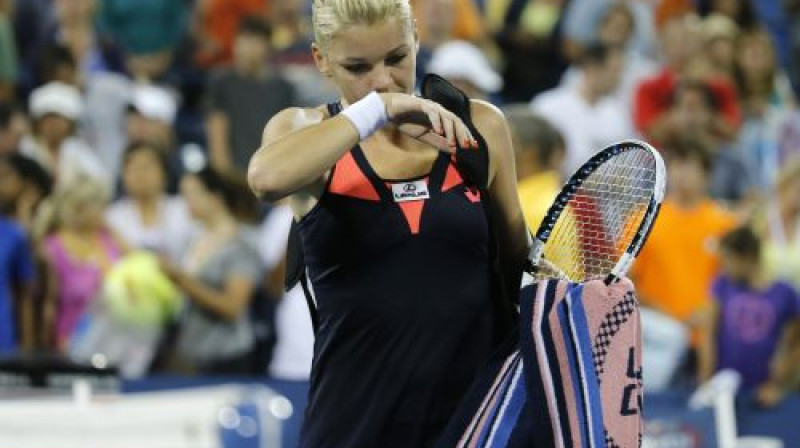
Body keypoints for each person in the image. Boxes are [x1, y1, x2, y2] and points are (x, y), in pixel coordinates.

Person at [246, 1, 528, 446]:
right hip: (354, 425)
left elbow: (519, 268)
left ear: (416, 35)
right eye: (358, 67)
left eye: (396, 58)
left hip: (473, 424)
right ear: (321, 59)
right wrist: (378, 110)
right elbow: (266, 179)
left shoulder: (480, 125)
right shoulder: (300, 128)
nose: (381, 80)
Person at [158, 167, 264, 375]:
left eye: (192, 193)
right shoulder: (194, 238)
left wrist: (181, 280)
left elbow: (233, 307)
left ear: (215, 198)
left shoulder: (241, 244)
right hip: (191, 352)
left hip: (225, 355)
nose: (185, 201)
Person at [699, 226, 800, 396]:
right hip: (723, 386)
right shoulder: (723, 285)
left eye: (728, 260)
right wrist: (706, 383)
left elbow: (794, 345)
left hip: (762, 393)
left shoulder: (785, 293)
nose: (723, 268)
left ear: (748, 258)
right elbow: (709, 336)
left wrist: (777, 385)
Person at [35, 177, 124, 351]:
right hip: (69, 339)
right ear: (78, 208)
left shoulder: (108, 240)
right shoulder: (53, 247)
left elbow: (135, 261)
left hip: (112, 337)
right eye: (98, 205)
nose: (104, 211)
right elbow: (48, 302)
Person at [205, 16, 297, 176]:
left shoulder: (283, 88)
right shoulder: (221, 82)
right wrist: (228, 177)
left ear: (267, 47)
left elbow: (285, 139)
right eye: (245, 40)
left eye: (256, 41)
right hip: (232, 177)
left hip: (270, 175)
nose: (249, 48)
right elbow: (217, 139)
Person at [105, 141, 196, 263]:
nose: (140, 175)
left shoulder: (185, 209)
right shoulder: (112, 217)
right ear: (123, 176)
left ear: (164, 172)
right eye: (133, 168)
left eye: (146, 167)